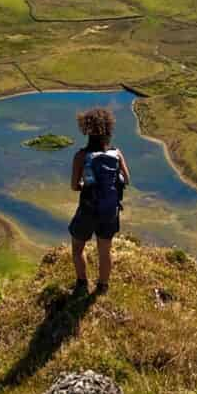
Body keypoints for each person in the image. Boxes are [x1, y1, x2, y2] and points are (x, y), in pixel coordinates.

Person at [67, 105, 130, 292]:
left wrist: (85, 186)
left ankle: (82, 284)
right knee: (105, 251)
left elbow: (73, 186)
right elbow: (127, 179)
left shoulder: (81, 156)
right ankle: (102, 287)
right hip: (110, 210)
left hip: (87, 208)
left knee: (78, 248)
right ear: (109, 130)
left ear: (86, 130)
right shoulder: (116, 154)